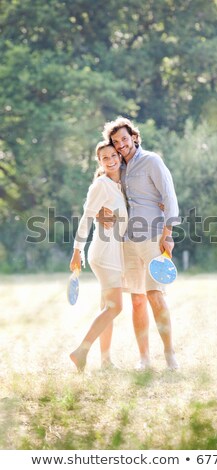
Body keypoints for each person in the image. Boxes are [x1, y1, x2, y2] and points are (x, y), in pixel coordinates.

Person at [100, 116, 180, 370]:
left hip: (153, 236)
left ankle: (169, 355)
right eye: (116, 142)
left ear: (134, 137)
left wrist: (168, 233)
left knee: (155, 295)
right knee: (136, 300)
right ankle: (144, 358)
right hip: (127, 241)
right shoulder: (118, 168)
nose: (121, 144)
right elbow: (106, 197)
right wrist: (102, 214)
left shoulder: (152, 161)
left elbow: (169, 196)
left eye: (124, 139)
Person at [69, 141, 128, 372]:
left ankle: (105, 361)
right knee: (115, 307)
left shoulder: (118, 185)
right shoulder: (102, 184)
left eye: (114, 155)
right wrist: (77, 250)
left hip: (114, 252)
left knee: (107, 308)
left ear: (119, 157)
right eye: (105, 158)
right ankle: (81, 351)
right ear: (100, 162)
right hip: (104, 254)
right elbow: (86, 217)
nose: (111, 160)